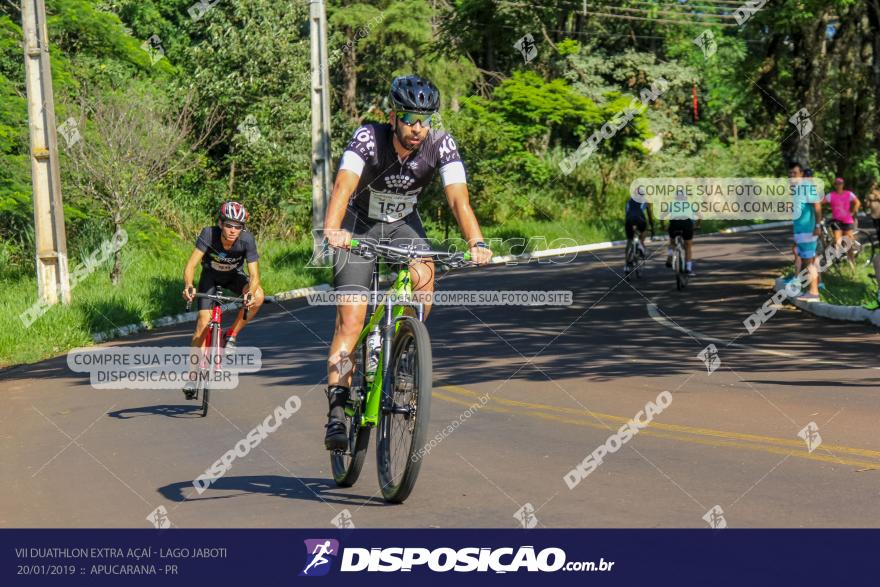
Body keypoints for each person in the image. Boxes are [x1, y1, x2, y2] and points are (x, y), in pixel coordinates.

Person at [321, 75, 493, 451]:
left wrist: (476, 241)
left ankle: (400, 347)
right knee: (351, 320)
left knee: (425, 279)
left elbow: (458, 200)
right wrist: (332, 229)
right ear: (393, 116)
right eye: (411, 119)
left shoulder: (441, 144)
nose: (418, 129)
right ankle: (337, 408)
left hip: (402, 225)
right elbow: (343, 187)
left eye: (425, 120)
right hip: (358, 225)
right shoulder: (368, 138)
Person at [181, 202, 265, 399]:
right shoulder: (208, 234)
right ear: (220, 223)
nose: (233, 230)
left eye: (238, 226)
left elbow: (254, 276)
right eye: (229, 225)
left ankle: (231, 335)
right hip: (210, 277)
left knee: (259, 295)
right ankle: (193, 376)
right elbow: (191, 266)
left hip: (234, 277)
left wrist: (250, 293)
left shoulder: (247, 240)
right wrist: (188, 286)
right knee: (202, 323)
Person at [788, 164, 821, 302]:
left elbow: (817, 205)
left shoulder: (807, 186)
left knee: (809, 262)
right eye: (790, 174)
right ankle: (810, 290)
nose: (791, 176)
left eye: (794, 173)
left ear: (801, 173)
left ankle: (814, 292)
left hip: (808, 230)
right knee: (804, 260)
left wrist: (818, 225)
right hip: (800, 230)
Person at [822, 177, 861, 267]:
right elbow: (820, 203)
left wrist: (853, 212)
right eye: (836, 184)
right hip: (836, 221)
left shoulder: (848, 194)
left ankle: (852, 265)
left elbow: (857, 202)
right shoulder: (831, 195)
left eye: (840, 183)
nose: (838, 185)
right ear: (834, 185)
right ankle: (838, 260)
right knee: (837, 241)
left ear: (843, 184)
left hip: (847, 220)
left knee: (848, 244)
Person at [665, 187, 699, 276]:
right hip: (687, 224)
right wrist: (698, 225)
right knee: (688, 246)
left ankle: (669, 258)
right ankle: (688, 268)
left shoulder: (672, 204)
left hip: (674, 224)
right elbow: (700, 215)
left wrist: (662, 225)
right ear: (685, 197)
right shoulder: (690, 204)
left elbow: (662, 215)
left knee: (672, 243)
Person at [624, 187, 654, 274]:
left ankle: (626, 265)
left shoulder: (629, 201)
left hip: (629, 221)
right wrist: (652, 228)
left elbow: (627, 213)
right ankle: (641, 244)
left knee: (629, 241)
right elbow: (649, 216)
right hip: (640, 220)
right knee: (643, 231)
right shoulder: (645, 201)